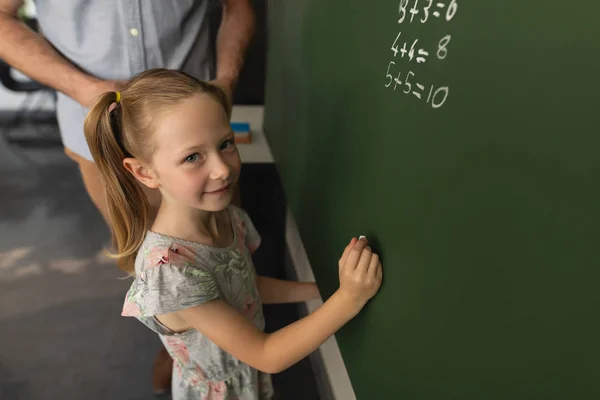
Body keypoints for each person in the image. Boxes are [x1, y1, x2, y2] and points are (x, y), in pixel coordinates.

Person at [0, 0, 255, 393]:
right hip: (96, 131)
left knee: (221, 248)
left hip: (196, 130)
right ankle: (179, 344)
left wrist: (226, 80)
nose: (225, 168)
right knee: (146, 259)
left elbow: (238, 7)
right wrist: (85, 90)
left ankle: (227, 331)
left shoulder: (214, 166)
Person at [82, 68, 383, 400]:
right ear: (144, 172)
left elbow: (244, 288)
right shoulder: (170, 272)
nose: (222, 168)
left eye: (225, 144)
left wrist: (319, 290)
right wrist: (348, 299)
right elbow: (267, 354)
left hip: (248, 382)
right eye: (193, 157)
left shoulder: (228, 218)